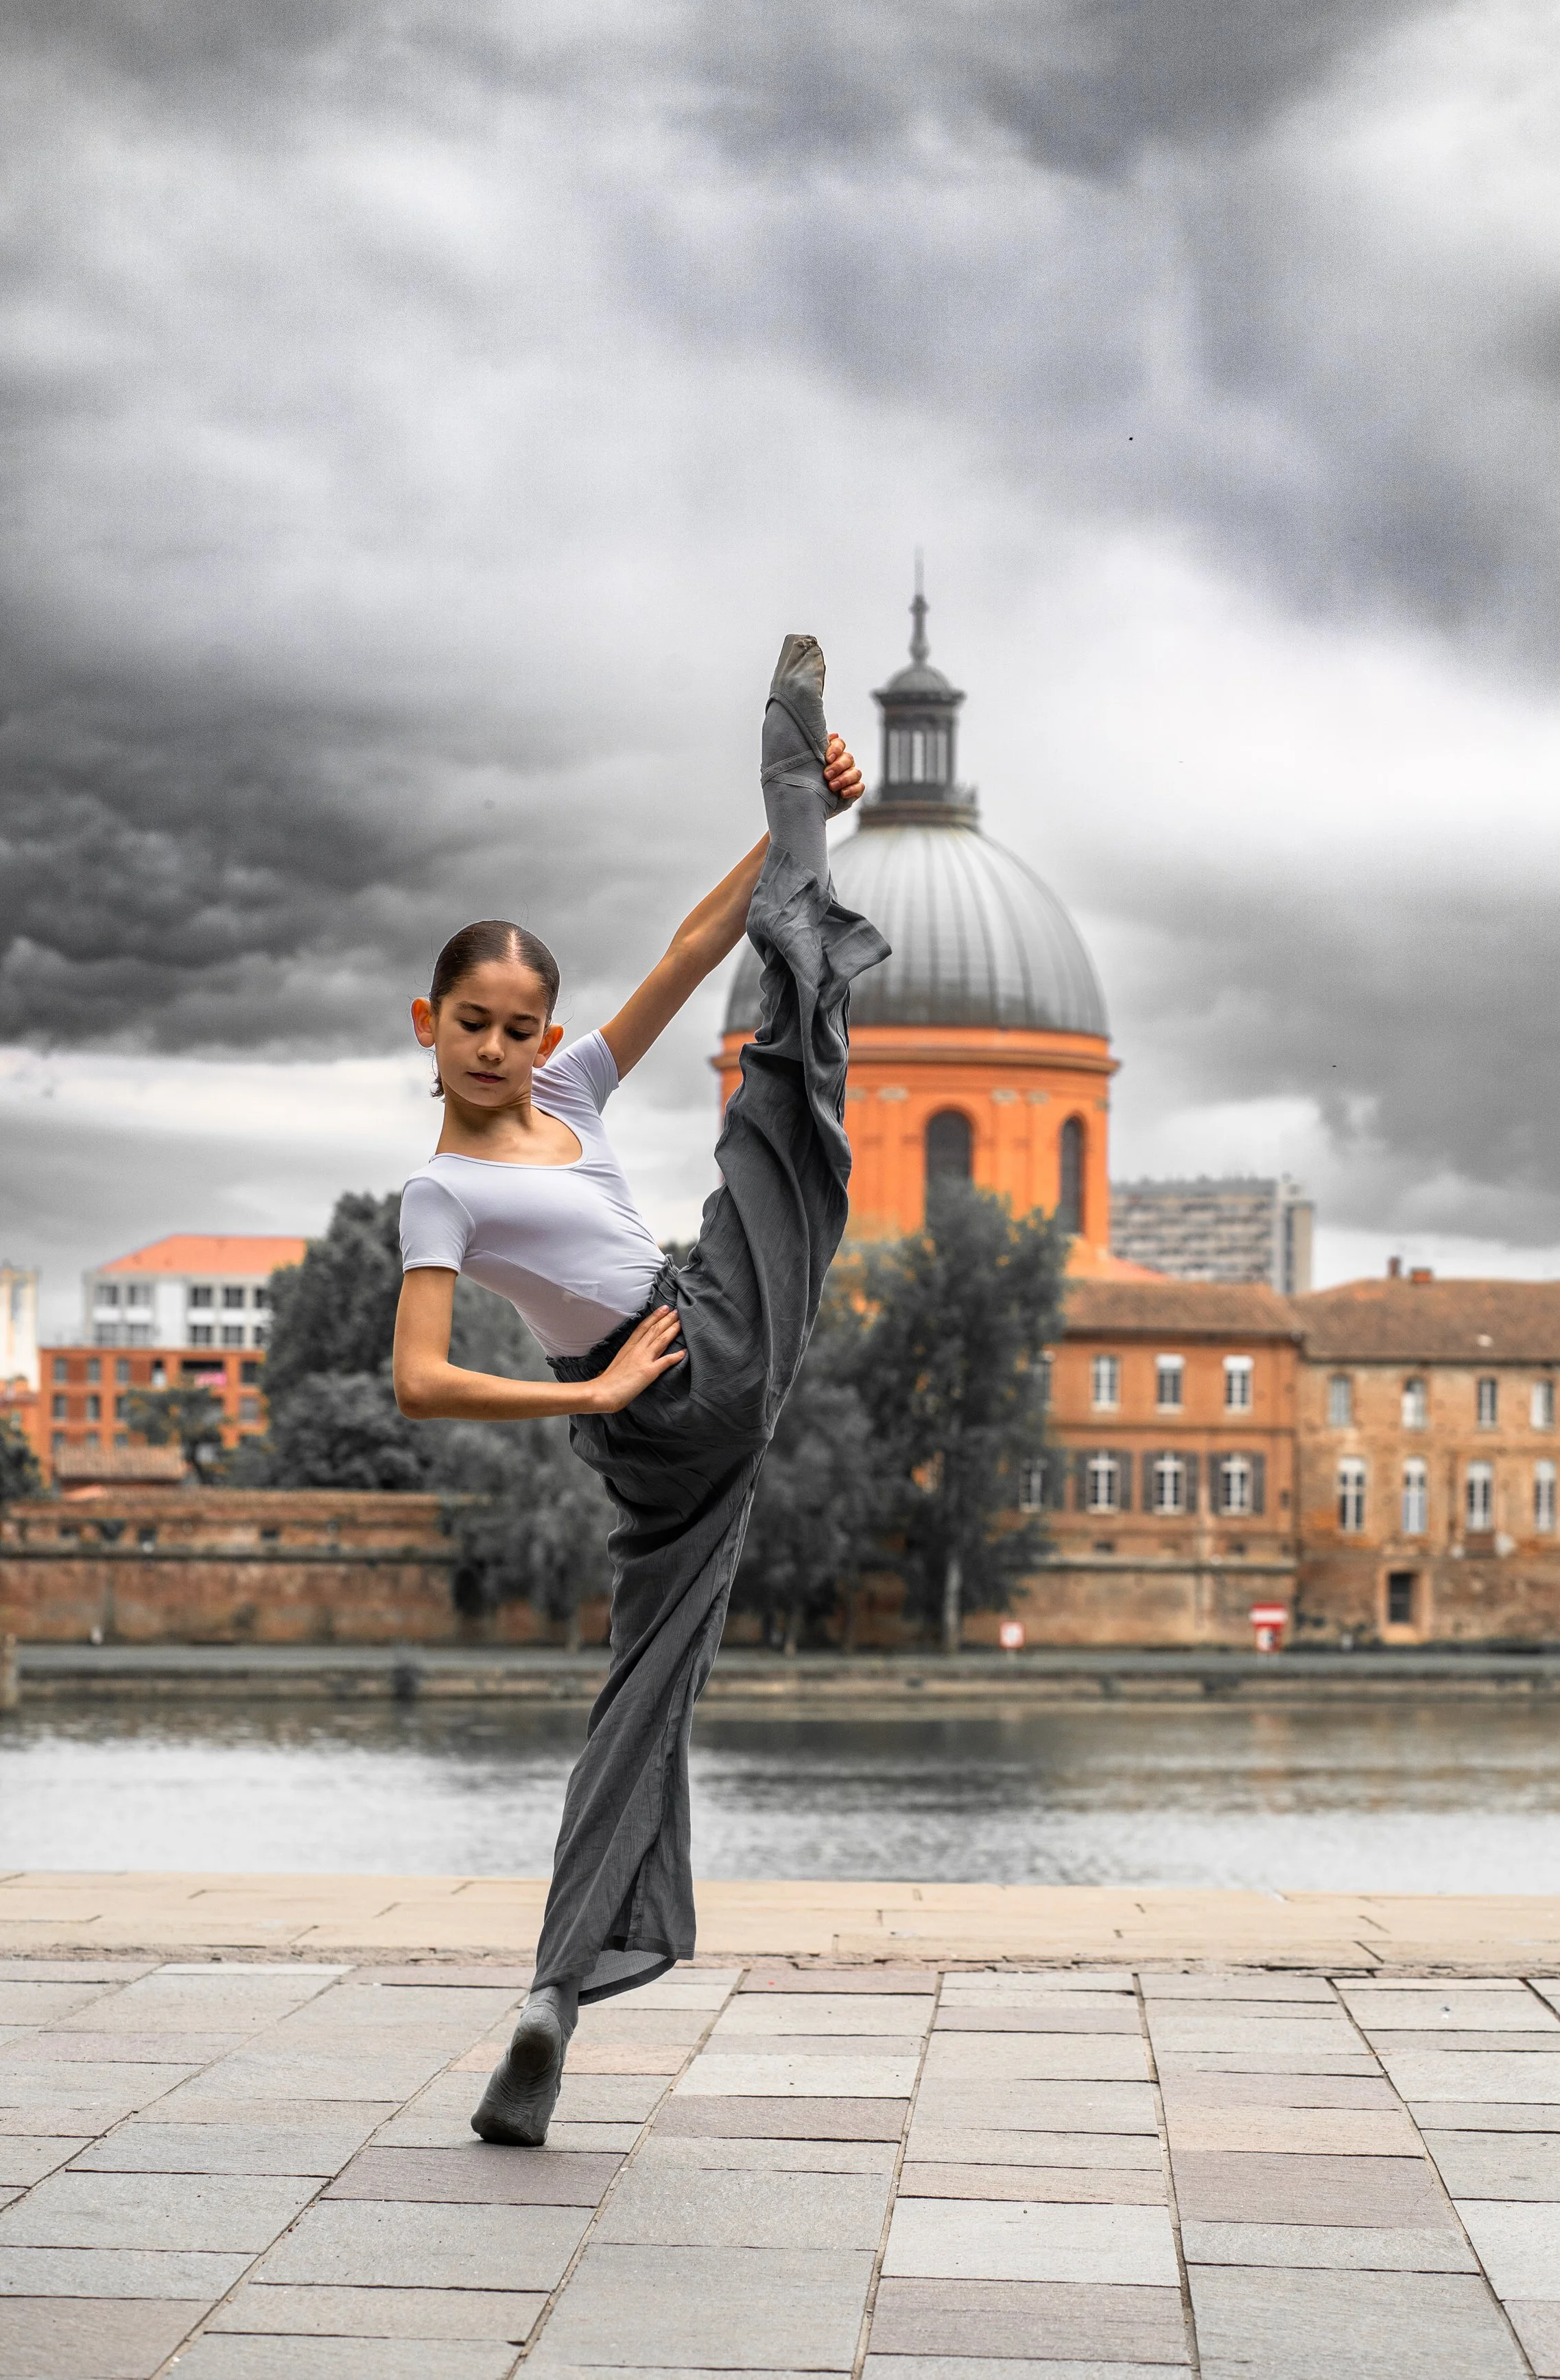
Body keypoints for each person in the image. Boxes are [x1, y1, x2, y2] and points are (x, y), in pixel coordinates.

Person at [392, 636, 887, 2145]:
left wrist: (787, 829)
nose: (496, 1047)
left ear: (541, 1033)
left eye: (518, 1025)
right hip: (678, 1379)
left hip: (663, 1419)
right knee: (781, 1119)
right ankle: (792, 783)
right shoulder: (440, 1191)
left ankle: (553, 1993)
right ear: (429, 1028)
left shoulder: (565, 1094)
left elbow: (681, 950)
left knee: (642, 1695)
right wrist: (592, 1394)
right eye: (470, 1023)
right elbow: (417, 1382)